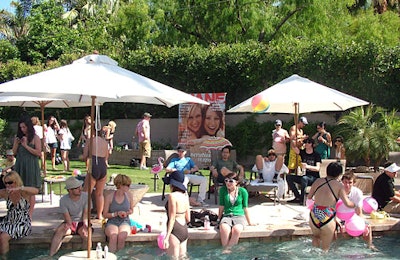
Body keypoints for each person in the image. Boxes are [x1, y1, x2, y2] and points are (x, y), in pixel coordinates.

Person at [307, 162, 355, 252]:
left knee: (316, 239)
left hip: (314, 214)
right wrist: (355, 204)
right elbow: (348, 203)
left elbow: (309, 197)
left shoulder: (317, 181)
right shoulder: (339, 185)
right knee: (325, 250)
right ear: (339, 174)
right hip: (327, 217)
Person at [0, 171, 39, 255]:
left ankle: (4, 258)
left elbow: (36, 191)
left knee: (3, 237)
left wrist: (19, 188)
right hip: (9, 221)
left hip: (22, 222)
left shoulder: (24, 192)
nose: (8, 185)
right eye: (6, 183)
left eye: (10, 183)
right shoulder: (5, 192)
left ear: (16, 181)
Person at [49, 177, 89, 256]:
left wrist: (85, 225)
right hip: (71, 222)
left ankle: (84, 255)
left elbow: (85, 215)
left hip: (81, 221)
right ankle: (51, 255)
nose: (80, 189)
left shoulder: (86, 197)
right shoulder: (63, 200)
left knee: (86, 235)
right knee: (59, 232)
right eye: (77, 188)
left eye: (80, 186)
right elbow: (68, 219)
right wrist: (67, 226)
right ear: (70, 190)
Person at [12, 116, 42, 218]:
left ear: (29, 126)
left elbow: (38, 153)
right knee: (19, 188)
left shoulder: (35, 138)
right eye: (21, 128)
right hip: (20, 164)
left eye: (24, 127)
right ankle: (20, 211)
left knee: (30, 189)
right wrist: (16, 144)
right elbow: (14, 153)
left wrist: (26, 146)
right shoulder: (19, 137)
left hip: (31, 165)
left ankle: (30, 214)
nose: (22, 130)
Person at [218, 172, 255, 249]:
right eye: (226, 181)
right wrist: (219, 218)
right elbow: (221, 206)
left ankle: (229, 249)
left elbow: (245, 207)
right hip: (227, 215)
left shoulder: (242, 191)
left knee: (236, 230)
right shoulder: (223, 190)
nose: (228, 183)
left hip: (239, 216)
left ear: (236, 182)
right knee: (224, 228)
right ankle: (225, 248)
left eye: (231, 181)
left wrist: (249, 222)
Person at [341, 171, 374, 249]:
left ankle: (370, 245)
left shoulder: (357, 193)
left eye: (350, 183)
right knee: (342, 229)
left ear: (354, 183)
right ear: (342, 181)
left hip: (353, 216)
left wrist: (363, 224)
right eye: (345, 182)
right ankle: (345, 247)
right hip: (340, 216)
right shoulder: (337, 191)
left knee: (368, 226)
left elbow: (359, 212)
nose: (347, 185)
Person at [162, 170, 190, 258]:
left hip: (175, 229)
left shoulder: (172, 196)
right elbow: (188, 218)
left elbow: (172, 218)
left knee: (173, 258)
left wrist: (166, 237)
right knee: (183, 257)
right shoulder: (185, 196)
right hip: (184, 229)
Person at [103, 174, 134, 253]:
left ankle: (121, 256)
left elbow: (131, 210)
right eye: (127, 185)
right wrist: (116, 214)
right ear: (120, 185)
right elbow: (105, 214)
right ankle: (111, 255)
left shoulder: (129, 195)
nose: (129, 187)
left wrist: (126, 213)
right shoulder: (109, 197)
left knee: (121, 236)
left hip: (125, 221)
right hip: (112, 221)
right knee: (113, 236)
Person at [287, 137, 321, 205]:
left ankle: (303, 199)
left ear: (311, 144)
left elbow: (318, 168)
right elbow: (293, 147)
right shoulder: (302, 152)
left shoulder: (316, 155)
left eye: (308, 142)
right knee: (289, 177)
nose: (306, 144)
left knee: (304, 178)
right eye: (305, 142)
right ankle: (298, 197)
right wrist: (295, 139)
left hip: (314, 178)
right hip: (304, 176)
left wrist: (307, 166)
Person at [83, 130, 109, 220]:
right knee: (99, 193)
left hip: (93, 163)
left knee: (86, 193)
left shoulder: (90, 140)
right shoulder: (105, 143)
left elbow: (84, 156)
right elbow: (106, 157)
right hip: (103, 165)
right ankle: (99, 215)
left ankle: (85, 214)